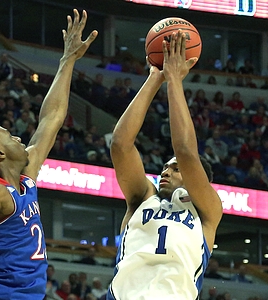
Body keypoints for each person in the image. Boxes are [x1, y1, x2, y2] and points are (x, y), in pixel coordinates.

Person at [0, 9, 97, 300]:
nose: (18, 137)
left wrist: (67, 59)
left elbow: (52, 117)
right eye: (9, 136)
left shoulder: (26, 178)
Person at [107, 30, 222, 299]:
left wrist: (174, 81)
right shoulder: (142, 198)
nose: (165, 170)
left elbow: (185, 152)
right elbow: (120, 145)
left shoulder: (207, 211)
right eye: (165, 167)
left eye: (175, 168)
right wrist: (154, 77)